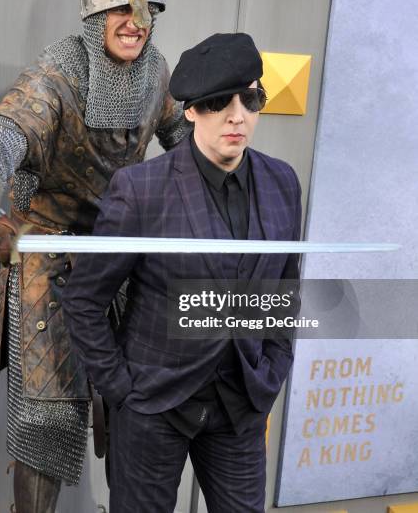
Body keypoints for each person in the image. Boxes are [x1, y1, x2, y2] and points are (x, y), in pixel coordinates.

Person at [0, 0, 188, 513]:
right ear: (93, 14)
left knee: (141, 405)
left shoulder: (156, 73)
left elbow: (187, 149)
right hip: (45, 258)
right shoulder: (58, 72)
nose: (135, 21)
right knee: (46, 425)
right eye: (119, 9)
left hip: (124, 263)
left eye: (145, 9)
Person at [62, 33, 302, 513]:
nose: (238, 116)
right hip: (153, 405)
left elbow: (283, 289)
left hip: (242, 406)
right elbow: (85, 299)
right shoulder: (141, 189)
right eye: (219, 103)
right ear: (191, 110)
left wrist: (272, 370)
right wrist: (122, 390)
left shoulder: (282, 181)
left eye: (250, 98)